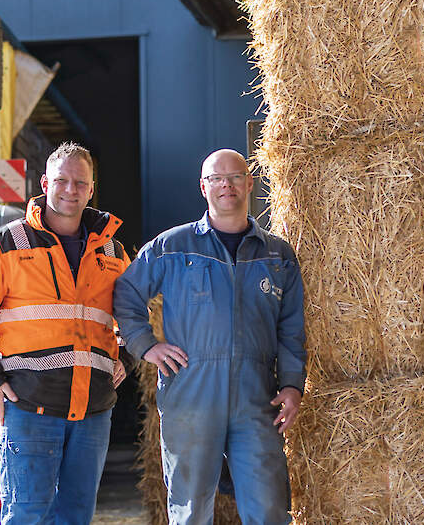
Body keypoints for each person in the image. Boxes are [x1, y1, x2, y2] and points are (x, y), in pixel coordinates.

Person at [113, 148, 306, 525]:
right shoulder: (173, 246)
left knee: (268, 507)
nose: (226, 186)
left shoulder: (277, 255)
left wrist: (293, 384)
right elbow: (126, 293)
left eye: (234, 177)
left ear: (250, 183)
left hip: (256, 398)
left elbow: (291, 328)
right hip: (191, 396)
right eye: (216, 178)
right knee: (190, 508)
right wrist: (145, 345)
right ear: (203, 187)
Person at [0, 142, 134, 524]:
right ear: (44, 182)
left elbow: (132, 316)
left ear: (91, 188)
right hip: (29, 405)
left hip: (93, 410)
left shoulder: (113, 252)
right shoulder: (5, 244)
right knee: (27, 516)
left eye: (80, 183)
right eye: (62, 181)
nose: (70, 190)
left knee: (75, 518)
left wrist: (126, 356)